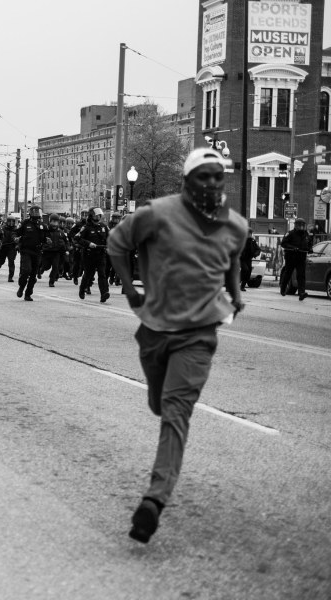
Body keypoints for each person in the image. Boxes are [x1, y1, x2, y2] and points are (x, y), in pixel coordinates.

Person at [107, 147, 247, 544]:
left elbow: (232, 261)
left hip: (199, 335)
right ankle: (161, 396)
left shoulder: (235, 226)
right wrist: (130, 288)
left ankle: (155, 499)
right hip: (154, 328)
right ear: (187, 180)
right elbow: (117, 244)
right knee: (159, 401)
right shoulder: (156, 214)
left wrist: (235, 296)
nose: (212, 183)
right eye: (204, 176)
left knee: (175, 411)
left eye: (218, 177)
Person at [14, 205, 50, 301]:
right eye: (34, 212)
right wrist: (16, 238)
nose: (36, 214)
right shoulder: (25, 223)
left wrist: (47, 240)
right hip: (26, 251)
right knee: (26, 270)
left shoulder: (43, 226)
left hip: (37, 252)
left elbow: (47, 237)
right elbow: (16, 233)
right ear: (30, 213)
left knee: (33, 275)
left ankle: (28, 294)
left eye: (38, 212)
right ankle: (21, 287)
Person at [75, 207, 110, 303]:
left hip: (101, 254)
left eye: (99, 215)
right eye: (95, 215)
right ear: (91, 216)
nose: (98, 216)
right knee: (88, 274)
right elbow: (77, 238)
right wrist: (89, 244)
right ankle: (82, 289)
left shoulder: (104, 227)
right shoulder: (86, 227)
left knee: (102, 274)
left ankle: (104, 293)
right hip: (89, 255)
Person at [279, 218, 312, 301]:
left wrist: (310, 249)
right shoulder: (290, 233)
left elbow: (309, 243)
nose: (302, 227)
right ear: (296, 225)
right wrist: (293, 248)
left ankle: (301, 293)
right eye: (300, 225)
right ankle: (283, 289)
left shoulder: (306, 234)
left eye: (303, 225)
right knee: (288, 273)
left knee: (301, 275)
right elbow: (283, 243)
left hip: (301, 257)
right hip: (291, 257)